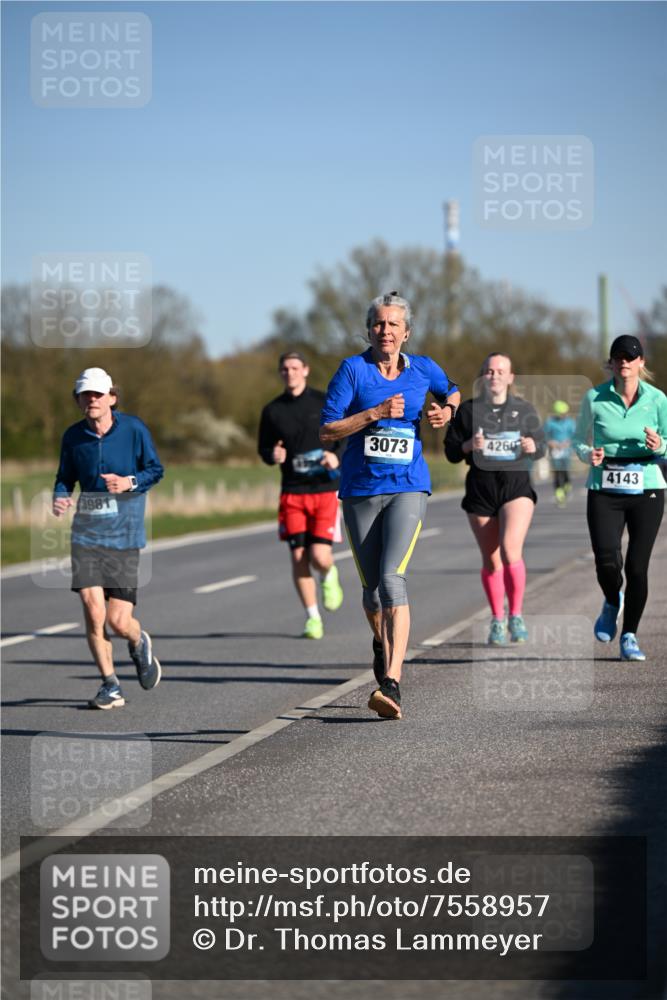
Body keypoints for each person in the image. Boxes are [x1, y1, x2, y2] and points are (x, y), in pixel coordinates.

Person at [320, 292, 460, 719]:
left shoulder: (423, 369)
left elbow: (451, 390)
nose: (386, 331)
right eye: (379, 324)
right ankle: (381, 641)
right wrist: (373, 413)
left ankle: (392, 683)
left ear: (407, 332)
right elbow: (328, 429)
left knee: (391, 578)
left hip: (408, 487)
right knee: (370, 592)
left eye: (393, 325)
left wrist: (447, 413)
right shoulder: (353, 370)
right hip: (361, 489)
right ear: (369, 330)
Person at [53, 367, 164, 709]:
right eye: (85, 394)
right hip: (86, 534)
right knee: (92, 609)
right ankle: (109, 683)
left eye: (98, 394)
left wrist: (129, 482)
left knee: (118, 621)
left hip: (124, 536)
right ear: (78, 400)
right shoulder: (73, 437)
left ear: (112, 398)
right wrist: (60, 495)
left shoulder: (133, 429)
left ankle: (137, 641)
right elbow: (64, 477)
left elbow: (155, 469)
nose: (92, 400)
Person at [573, 335, 667, 661]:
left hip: (648, 488)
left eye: (631, 357)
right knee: (607, 561)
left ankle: (629, 636)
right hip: (605, 486)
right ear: (611, 363)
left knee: (638, 567)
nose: (624, 362)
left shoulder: (657, 400)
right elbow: (577, 441)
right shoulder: (594, 398)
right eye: (618, 357)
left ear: (641, 363)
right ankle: (613, 600)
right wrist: (589, 454)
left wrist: (660, 445)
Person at [444, 353, 545, 646]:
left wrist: (532, 445)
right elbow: (451, 452)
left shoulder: (524, 409)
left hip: (515, 486)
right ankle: (497, 618)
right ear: (482, 377)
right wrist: (467, 444)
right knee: (491, 559)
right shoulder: (467, 411)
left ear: (510, 378)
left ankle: (516, 614)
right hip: (481, 488)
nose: (494, 375)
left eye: (501, 371)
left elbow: (540, 448)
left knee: (510, 551)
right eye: (489, 371)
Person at [258, 351, 344, 639]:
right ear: (280, 373)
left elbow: (344, 436)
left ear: (305, 370)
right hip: (292, 492)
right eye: (285, 369)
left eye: (295, 367)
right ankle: (312, 618)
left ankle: (329, 573)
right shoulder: (272, 410)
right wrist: (273, 454)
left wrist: (336, 457)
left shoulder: (323, 402)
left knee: (319, 555)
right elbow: (264, 449)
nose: (290, 373)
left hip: (324, 490)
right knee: (298, 557)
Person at [544, 400, 576, 506]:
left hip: (566, 452)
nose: (563, 415)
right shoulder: (550, 422)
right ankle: (559, 494)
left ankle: (567, 486)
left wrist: (568, 442)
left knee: (565, 472)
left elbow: (575, 436)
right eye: (561, 413)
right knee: (557, 473)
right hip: (555, 452)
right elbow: (544, 436)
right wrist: (550, 442)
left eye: (565, 413)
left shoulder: (570, 422)